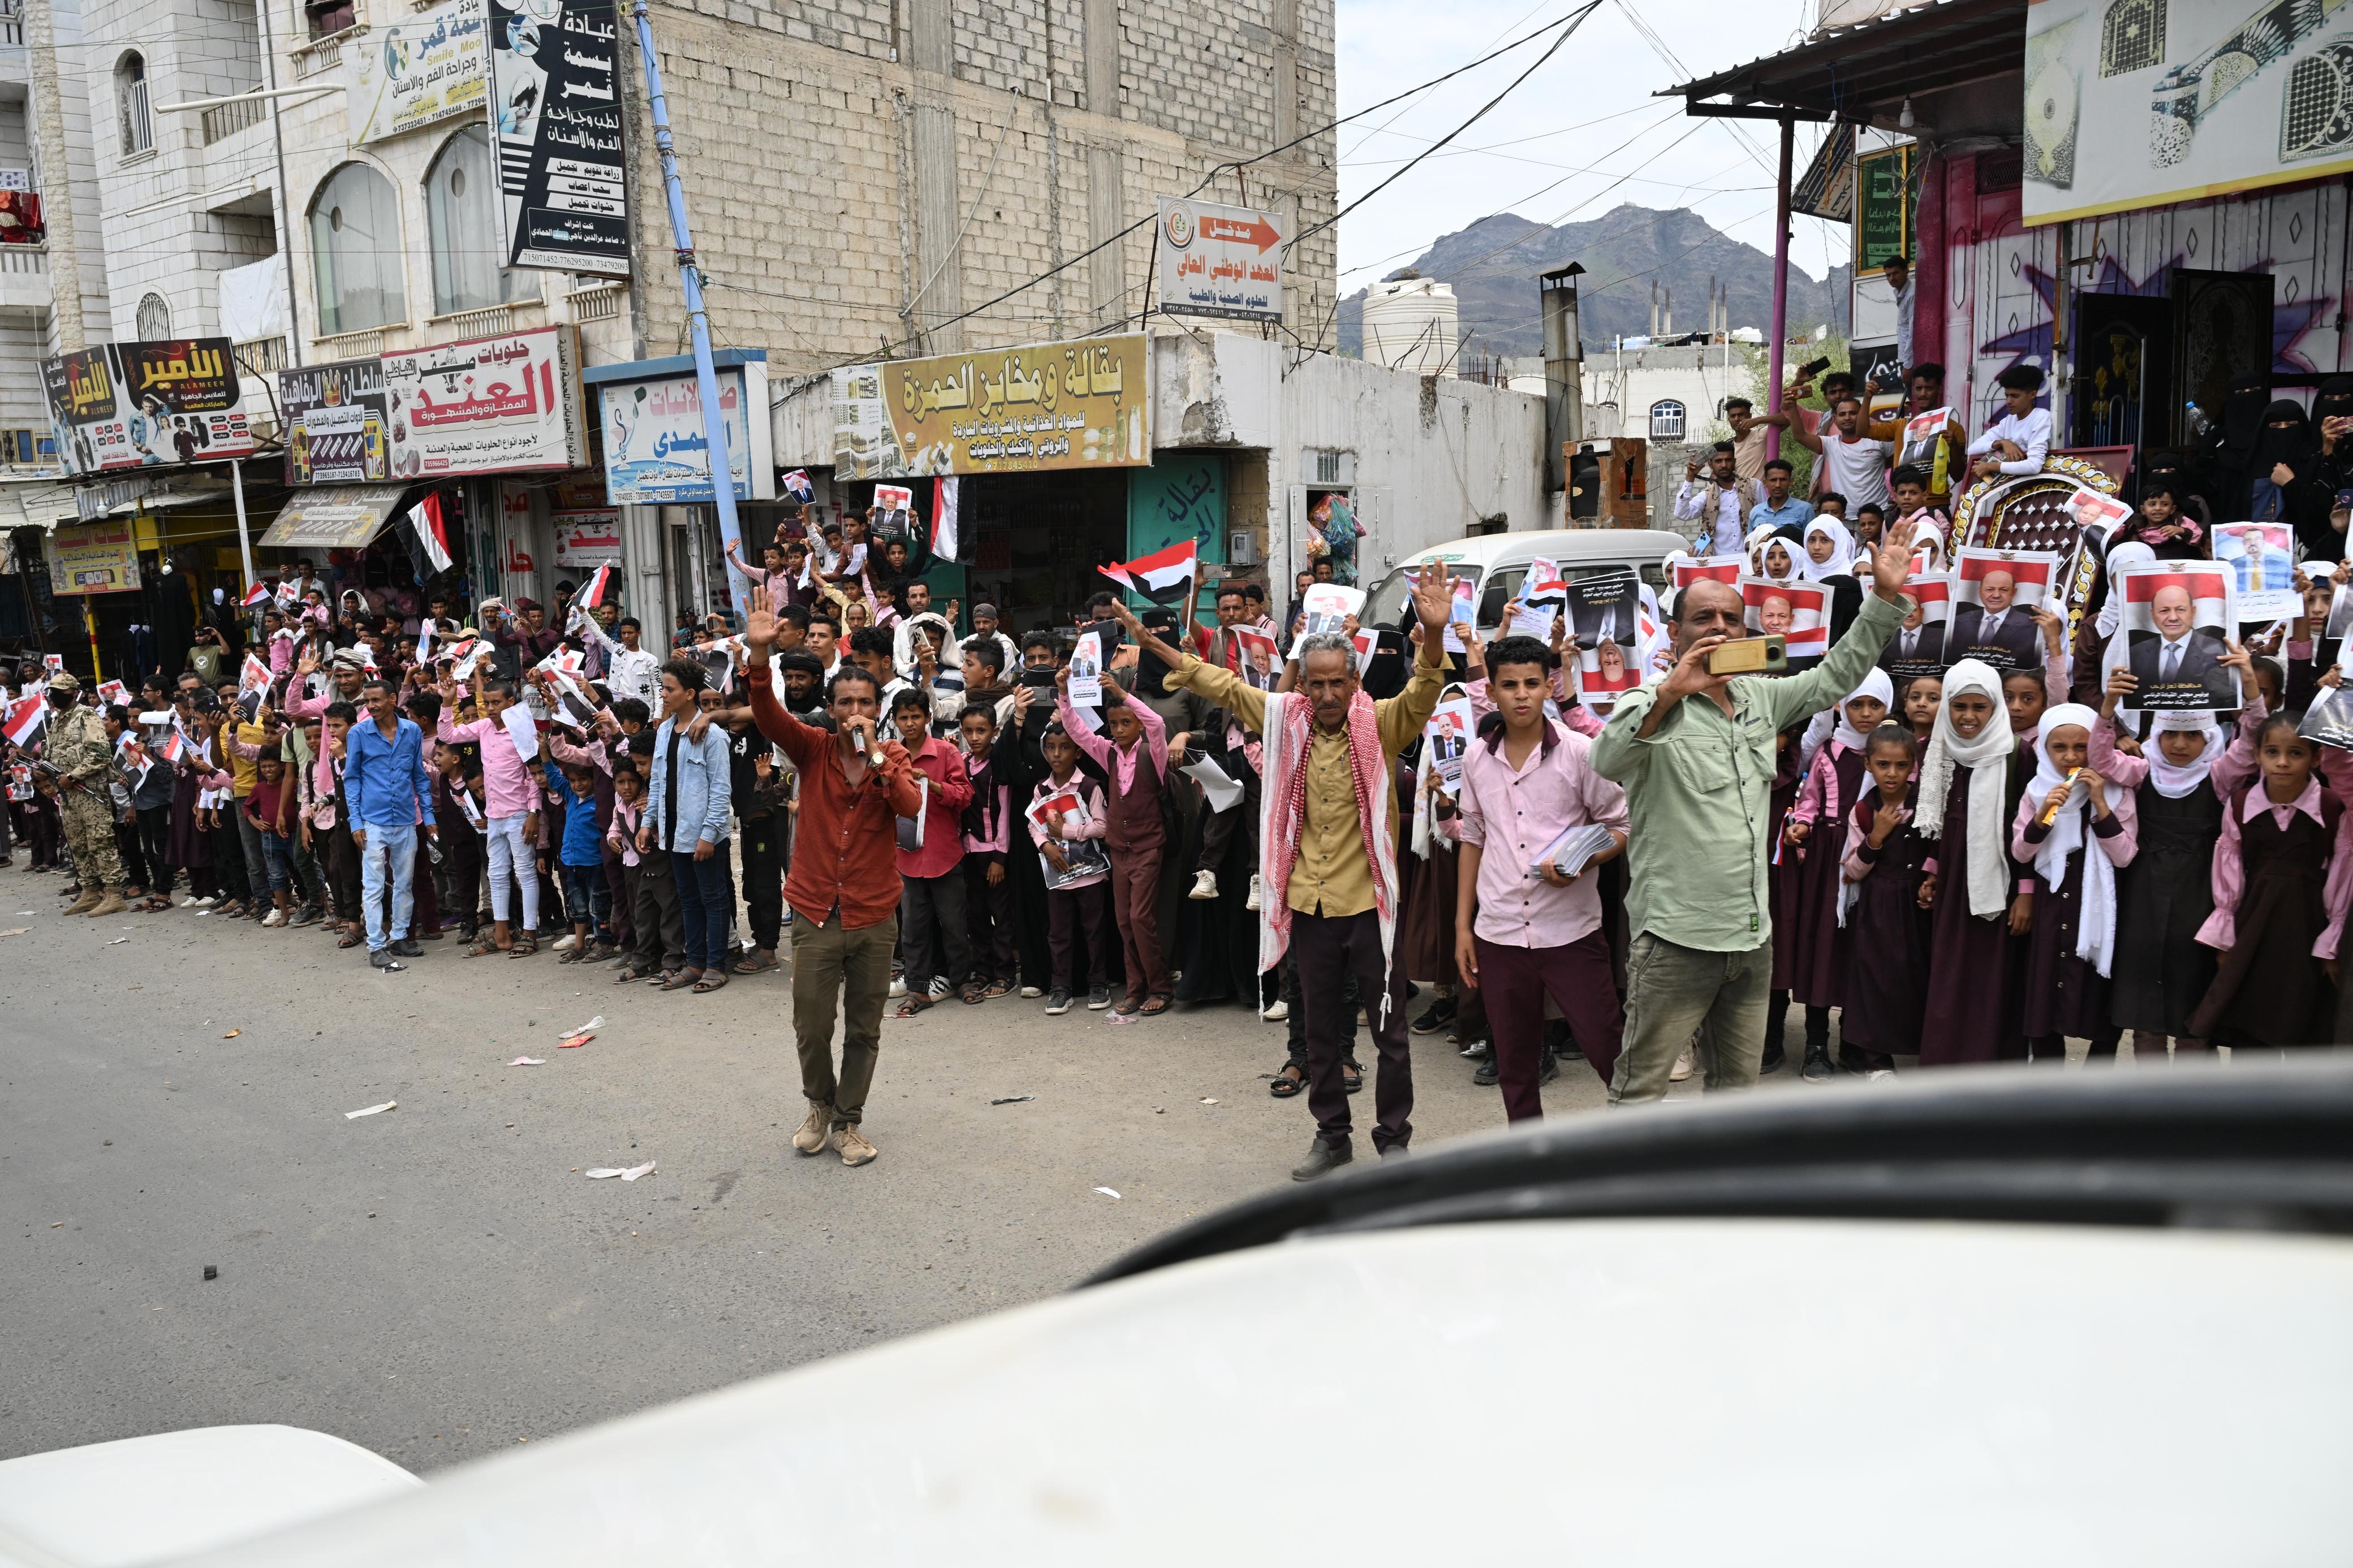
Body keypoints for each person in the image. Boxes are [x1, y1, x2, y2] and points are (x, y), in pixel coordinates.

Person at [1110, 564, 1451, 1177]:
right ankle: (1332, 1134)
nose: (1322, 696)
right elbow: (1220, 685)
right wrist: (1156, 643)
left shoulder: (1381, 723)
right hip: (1309, 909)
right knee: (1317, 1030)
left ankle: (1393, 1140)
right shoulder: (1285, 718)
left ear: (1354, 682)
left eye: (1334, 685)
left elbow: (1425, 691)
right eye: (1313, 684)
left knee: (1387, 1032)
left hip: (1369, 908)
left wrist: (1432, 634)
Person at [1590, 517, 1920, 1103]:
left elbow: (1835, 675)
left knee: (1735, 1100)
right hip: (1674, 941)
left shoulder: (1762, 698)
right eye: (1702, 619)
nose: (1718, 629)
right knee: (1638, 1093)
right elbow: (1606, 758)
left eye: (1728, 619)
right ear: (1674, 634)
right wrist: (1671, 691)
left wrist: (1884, 597)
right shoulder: (1648, 702)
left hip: (1749, 940)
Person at [742, 588, 926, 1168]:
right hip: (816, 911)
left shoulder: (892, 754)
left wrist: (874, 756)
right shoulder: (813, 747)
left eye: (863, 704)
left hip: (873, 915)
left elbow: (909, 805)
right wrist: (755, 656)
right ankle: (818, 1105)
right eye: (844, 702)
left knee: (864, 1029)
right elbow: (769, 715)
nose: (853, 713)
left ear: (879, 709)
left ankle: (849, 1122)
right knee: (811, 1024)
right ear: (831, 706)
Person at [1451, 636, 1628, 1120]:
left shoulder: (1580, 752)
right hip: (1501, 931)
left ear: (1550, 687)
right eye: (1509, 685)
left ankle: (1641, 1152)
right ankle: (1530, 1163)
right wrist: (1463, 926)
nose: (1522, 694)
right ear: (1492, 689)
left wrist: (1582, 862)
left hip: (1571, 929)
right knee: (1514, 1061)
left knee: (1609, 1048)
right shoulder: (1475, 759)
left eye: (1532, 683)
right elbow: (1473, 836)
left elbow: (1620, 826)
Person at [2188, 710, 2352, 1053]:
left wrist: (2331, 941)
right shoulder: (2240, 805)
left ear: (2316, 757)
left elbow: (2341, 872)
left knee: (2303, 1023)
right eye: (2272, 752)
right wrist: (2226, 936)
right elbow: (2229, 871)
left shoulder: (2332, 807)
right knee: (2252, 1023)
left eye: (2296, 753)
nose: (2282, 763)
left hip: (2308, 930)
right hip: (2254, 927)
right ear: (2257, 755)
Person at [1915, 659, 2036, 1065]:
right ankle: (1945, 1063)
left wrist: (2025, 892)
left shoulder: (2017, 754)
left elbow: (2029, 831)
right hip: (1952, 884)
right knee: (1950, 973)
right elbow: (1944, 821)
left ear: (1996, 708)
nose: (1968, 717)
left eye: (1979, 707)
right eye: (1959, 706)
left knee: (1992, 977)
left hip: (1998, 885)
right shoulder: (1942, 750)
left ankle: (1989, 1067)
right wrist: (1932, 872)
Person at [1782, 670, 1893, 1079]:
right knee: (1824, 947)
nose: (1865, 713)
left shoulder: (1893, 751)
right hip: (1828, 861)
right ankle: (1815, 1043)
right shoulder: (1829, 751)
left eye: (1874, 705)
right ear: (1841, 706)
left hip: (1876, 858)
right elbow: (1810, 799)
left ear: (1887, 706)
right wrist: (1803, 825)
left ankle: (1854, 1041)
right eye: (1856, 704)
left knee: (1859, 950)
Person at [2011, 703, 2136, 1061]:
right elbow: (2021, 852)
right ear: (2043, 750)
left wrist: (2100, 805)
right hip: (2053, 908)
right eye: (2059, 748)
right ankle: (2049, 1093)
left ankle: (2096, 1094)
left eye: (2081, 747)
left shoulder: (2115, 791)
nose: (2070, 757)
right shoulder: (2038, 792)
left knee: (2100, 997)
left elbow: (2125, 856)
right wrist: (2043, 816)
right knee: (2045, 997)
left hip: (2097, 909)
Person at [1055, 663, 1172, 1016]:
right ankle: (1135, 988)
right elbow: (1077, 731)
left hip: (1149, 846)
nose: (1120, 730)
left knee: (1141, 918)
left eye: (1127, 723)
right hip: (1120, 848)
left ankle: (1161, 987)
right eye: (1116, 723)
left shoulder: (1154, 752)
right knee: (1124, 920)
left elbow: (1159, 724)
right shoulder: (1107, 753)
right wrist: (1063, 693)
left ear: (1137, 724)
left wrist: (1123, 695)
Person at [1838, 723, 1932, 1075]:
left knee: (1921, 976)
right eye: (1883, 765)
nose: (1892, 774)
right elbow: (1852, 872)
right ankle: (1877, 1063)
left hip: (1920, 904)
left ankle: (1927, 1050)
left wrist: (1931, 881)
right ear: (1868, 765)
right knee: (1876, 982)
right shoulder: (1863, 812)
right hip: (1878, 908)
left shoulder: (1925, 803)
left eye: (1901, 766)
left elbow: (1939, 849)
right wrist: (1876, 836)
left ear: (1913, 766)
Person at [641, 656, 736, 994]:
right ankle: (694, 963)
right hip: (673, 835)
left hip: (704, 838)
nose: (663, 695)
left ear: (690, 693)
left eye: (670, 689)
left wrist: (709, 835)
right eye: (663, 688)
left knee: (714, 899)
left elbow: (721, 789)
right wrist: (648, 823)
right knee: (688, 900)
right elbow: (657, 782)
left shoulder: (713, 736)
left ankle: (716, 965)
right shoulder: (665, 731)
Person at [437, 673, 542, 958]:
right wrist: (448, 704)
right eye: (488, 703)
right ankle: (502, 934)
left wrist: (534, 811)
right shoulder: (484, 727)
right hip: (494, 815)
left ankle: (530, 933)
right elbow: (448, 736)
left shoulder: (522, 729)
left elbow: (533, 774)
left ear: (511, 702)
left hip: (520, 813)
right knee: (497, 875)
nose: (492, 708)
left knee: (524, 873)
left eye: (497, 702)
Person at [891, 685, 976, 1014]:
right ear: (896, 722)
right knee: (913, 927)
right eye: (903, 718)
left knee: (954, 923)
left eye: (916, 717)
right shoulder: (891, 757)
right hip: (907, 855)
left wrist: (934, 784)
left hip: (943, 852)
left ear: (928, 718)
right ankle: (917, 986)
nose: (910, 723)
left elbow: (965, 795)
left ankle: (962, 980)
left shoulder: (945, 753)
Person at [345, 676, 438, 968]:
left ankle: (399, 938)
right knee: (373, 886)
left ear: (392, 700)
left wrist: (430, 817)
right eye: (367, 701)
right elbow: (352, 779)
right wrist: (355, 822)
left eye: (376, 700)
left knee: (405, 883)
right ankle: (375, 946)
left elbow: (419, 778)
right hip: (373, 821)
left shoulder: (411, 731)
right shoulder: (358, 733)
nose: (370, 706)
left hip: (406, 821)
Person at [1029, 721, 1115, 1014]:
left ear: (1078, 753)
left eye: (1065, 748)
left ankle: (1098, 983)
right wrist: (1045, 845)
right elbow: (1034, 824)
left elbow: (1103, 827)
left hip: (1090, 875)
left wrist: (1066, 833)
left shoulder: (1090, 786)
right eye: (1051, 748)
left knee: (1094, 930)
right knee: (1059, 933)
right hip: (1059, 877)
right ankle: (1060, 987)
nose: (1057, 754)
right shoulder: (1041, 789)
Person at [959, 701, 1027, 1001]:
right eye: (969, 731)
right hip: (967, 851)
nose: (975, 737)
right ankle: (983, 970)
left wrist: (1001, 857)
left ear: (995, 731)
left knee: (1001, 914)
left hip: (993, 853)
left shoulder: (999, 767)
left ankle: (1005, 972)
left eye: (982, 731)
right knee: (976, 914)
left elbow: (1005, 814)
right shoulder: (961, 763)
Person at [46, 675, 129, 917]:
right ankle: (90, 890)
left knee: (100, 840)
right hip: (68, 794)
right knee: (78, 844)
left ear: (74, 692)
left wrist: (73, 776)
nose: (54, 696)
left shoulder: (86, 716)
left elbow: (101, 754)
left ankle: (114, 893)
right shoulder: (58, 720)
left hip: (89, 791)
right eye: (52, 692)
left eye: (60, 691)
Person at [607, 759, 686, 985]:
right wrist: (612, 838)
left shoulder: (648, 803)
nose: (627, 787)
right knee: (642, 916)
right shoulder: (619, 808)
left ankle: (673, 961)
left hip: (663, 867)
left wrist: (650, 822)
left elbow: (664, 834)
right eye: (621, 782)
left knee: (670, 915)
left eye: (632, 781)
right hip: (644, 869)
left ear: (641, 782)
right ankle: (643, 963)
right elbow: (615, 827)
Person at [1785, 392, 1893, 515]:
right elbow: (1800, 436)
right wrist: (1792, 407)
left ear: (1863, 415)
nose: (1847, 418)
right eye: (1842, 414)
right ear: (1836, 419)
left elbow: (1896, 463)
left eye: (1853, 413)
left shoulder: (1879, 441)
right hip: (1843, 518)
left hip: (1879, 515)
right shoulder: (1831, 444)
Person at [1674, 440, 1761, 557]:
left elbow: (1765, 520)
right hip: (1719, 564)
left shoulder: (1754, 487)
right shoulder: (1707, 496)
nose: (1724, 465)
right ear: (1711, 464)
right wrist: (1690, 477)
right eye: (1719, 461)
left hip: (1749, 561)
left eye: (1728, 460)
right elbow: (1681, 513)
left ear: (1734, 462)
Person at [1967, 364, 2052, 482]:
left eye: (2015, 396)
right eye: (2007, 396)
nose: (2009, 402)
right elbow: (1972, 450)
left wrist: (1991, 466)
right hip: (2016, 491)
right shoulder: (2008, 421)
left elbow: (2034, 465)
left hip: (2041, 490)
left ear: (2033, 395)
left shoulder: (2041, 417)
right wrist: (2003, 443)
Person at [1951, 569, 2045, 669]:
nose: (1996, 595)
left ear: (2014, 592)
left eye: (2004, 590)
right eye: (1990, 590)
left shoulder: (2032, 626)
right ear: (1980, 592)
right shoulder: (1959, 622)